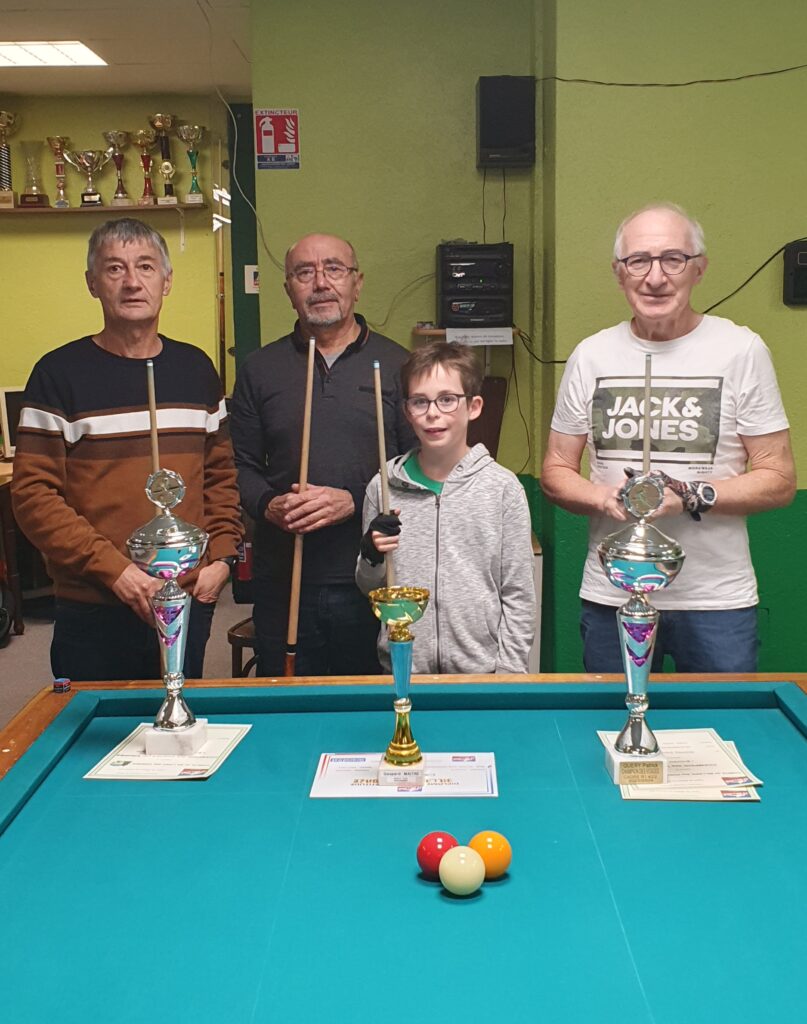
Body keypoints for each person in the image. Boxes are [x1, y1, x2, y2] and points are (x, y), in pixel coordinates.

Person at [541, 201, 796, 673]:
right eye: (639, 260)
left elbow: (779, 478)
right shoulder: (591, 356)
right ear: (619, 272)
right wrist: (603, 498)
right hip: (614, 593)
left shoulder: (741, 350)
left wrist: (689, 497)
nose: (655, 277)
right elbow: (556, 470)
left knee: (722, 719)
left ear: (699, 268)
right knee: (616, 715)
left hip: (716, 602)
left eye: (672, 259)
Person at [12, 218, 242, 682]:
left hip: (186, 596)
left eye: (146, 266)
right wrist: (116, 571)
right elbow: (33, 496)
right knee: (99, 724)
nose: (133, 281)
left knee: (179, 719)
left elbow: (221, 477)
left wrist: (221, 558)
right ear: (92, 283)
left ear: (166, 281)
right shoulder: (58, 375)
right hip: (95, 604)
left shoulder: (197, 370)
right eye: (115, 268)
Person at [229, 233, 415, 676]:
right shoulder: (259, 369)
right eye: (304, 272)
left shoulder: (400, 366)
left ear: (357, 283)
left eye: (334, 269)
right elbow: (240, 467)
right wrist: (268, 504)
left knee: (369, 704)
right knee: (288, 701)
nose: (320, 283)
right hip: (285, 579)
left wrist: (355, 500)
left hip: (375, 575)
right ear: (288, 289)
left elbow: (419, 466)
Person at [356, 341, 536, 673]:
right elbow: (371, 589)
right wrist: (371, 557)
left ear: (474, 407)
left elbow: (518, 595)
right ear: (407, 412)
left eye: (447, 399)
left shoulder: (502, 489)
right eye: (420, 401)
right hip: (404, 668)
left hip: (482, 675)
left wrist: (509, 674)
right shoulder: (382, 487)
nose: (433, 413)